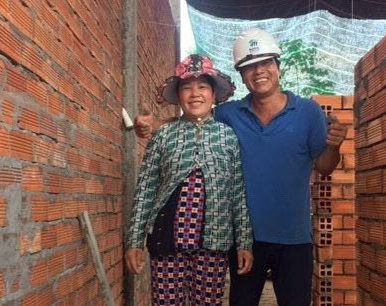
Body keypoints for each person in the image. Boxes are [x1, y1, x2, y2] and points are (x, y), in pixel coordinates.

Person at [134, 28, 347, 306]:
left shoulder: (308, 112)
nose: (259, 72)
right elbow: (193, 120)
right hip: (245, 240)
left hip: (294, 237)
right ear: (241, 75)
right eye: (249, 67)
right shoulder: (229, 114)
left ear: (278, 66)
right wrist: (153, 127)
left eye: (266, 63)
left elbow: (324, 166)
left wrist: (334, 146)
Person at [125, 54, 253, 306]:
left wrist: (244, 243)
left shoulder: (228, 137)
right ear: (178, 96)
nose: (195, 94)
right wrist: (134, 241)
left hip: (214, 243)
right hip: (166, 239)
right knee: (165, 302)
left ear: (214, 94)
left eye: (203, 87)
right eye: (187, 87)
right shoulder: (163, 136)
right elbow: (145, 191)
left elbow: (238, 194)